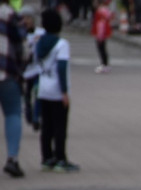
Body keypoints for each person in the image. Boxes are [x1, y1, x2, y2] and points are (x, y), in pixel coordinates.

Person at [36, 9, 77, 172]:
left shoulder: (40, 42)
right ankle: (61, 158)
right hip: (57, 90)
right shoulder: (62, 44)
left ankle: (47, 158)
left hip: (43, 88)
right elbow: (61, 67)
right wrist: (64, 91)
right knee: (60, 126)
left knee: (47, 126)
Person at [1, 0, 24, 178]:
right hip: (6, 71)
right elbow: (20, 41)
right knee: (13, 113)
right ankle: (12, 159)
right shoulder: (9, 13)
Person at [91, 0, 113, 73]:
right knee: (103, 49)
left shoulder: (100, 12)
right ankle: (105, 64)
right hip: (103, 32)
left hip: (101, 33)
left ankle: (104, 64)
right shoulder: (104, 11)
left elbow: (101, 24)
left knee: (101, 49)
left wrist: (100, 35)